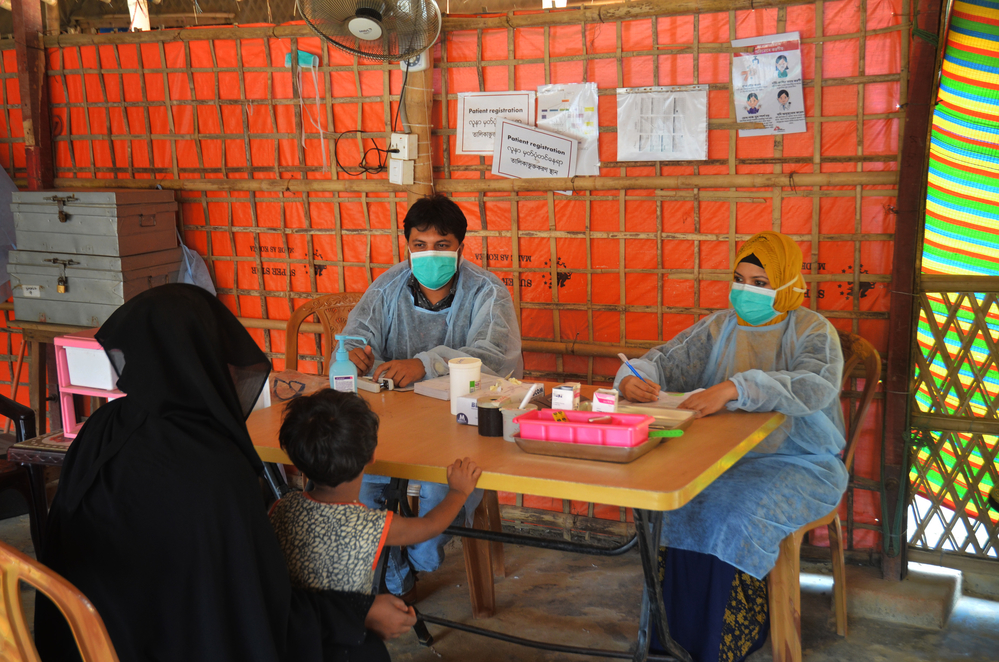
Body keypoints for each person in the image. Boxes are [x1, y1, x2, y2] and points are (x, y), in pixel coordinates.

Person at [34, 284, 417, 662]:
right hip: (174, 641)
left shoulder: (102, 427)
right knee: (363, 650)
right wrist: (356, 613)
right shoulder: (211, 467)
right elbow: (255, 612)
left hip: (85, 639)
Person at [617, 232, 848, 662]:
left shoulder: (813, 330)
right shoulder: (719, 326)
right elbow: (665, 360)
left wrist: (735, 387)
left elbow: (815, 386)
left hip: (800, 462)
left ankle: (725, 639)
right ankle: (666, 642)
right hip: (720, 458)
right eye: (739, 278)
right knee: (675, 503)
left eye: (761, 282)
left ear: (786, 283)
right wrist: (633, 377)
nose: (746, 291)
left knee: (735, 514)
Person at [340, 193, 522, 598]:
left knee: (442, 486)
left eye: (442, 245)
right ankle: (392, 574)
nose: (430, 255)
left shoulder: (487, 292)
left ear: (460, 246)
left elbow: (494, 357)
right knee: (363, 479)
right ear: (406, 245)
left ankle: (419, 559)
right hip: (391, 420)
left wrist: (425, 363)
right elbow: (357, 333)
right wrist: (351, 354)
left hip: (461, 423)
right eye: (419, 246)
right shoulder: (387, 286)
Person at [269, 389, 482, 661]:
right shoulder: (370, 525)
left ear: (297, 461)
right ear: (371, 456)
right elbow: (430, 525)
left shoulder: (280, 508)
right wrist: (458, 492)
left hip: (293, 637)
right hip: (345, 637)